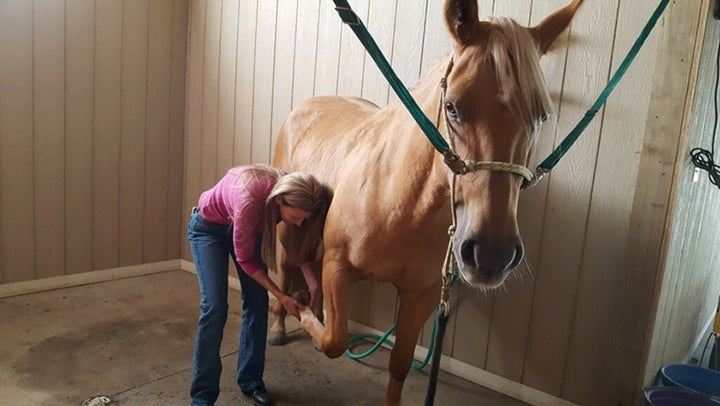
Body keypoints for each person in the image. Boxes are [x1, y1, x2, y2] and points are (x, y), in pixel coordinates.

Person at [187, 164, 331, 406]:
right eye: (294, 217)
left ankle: (251, 380)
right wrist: (281, 296)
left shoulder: (294, 191)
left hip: (244, 228)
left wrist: (313, 284)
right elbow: (245, 259)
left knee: (257, 301)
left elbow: (298, 239)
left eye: (302, 219)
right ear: (279, 201)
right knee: (215, 308)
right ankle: (202, 397)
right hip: (208, 230)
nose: (297, 223)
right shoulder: (251, 199)